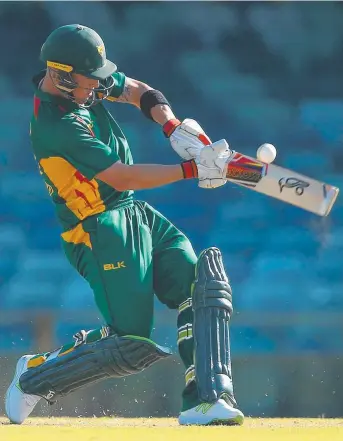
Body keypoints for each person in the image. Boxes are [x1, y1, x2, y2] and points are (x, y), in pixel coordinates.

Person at [5, 24, 244, 426]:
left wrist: (171, 126)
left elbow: (134, 89)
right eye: (89, 83)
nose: (99, 89)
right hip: (98, 230)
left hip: (133, 212)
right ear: (62, 77)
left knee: (198, 287)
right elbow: (122, 176)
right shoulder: (55, 125)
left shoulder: (79, 80)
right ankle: (34, 375)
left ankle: (207, 400)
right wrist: (191, 168)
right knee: (129, 344)